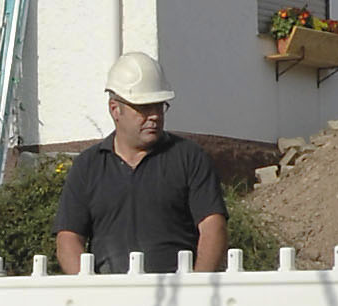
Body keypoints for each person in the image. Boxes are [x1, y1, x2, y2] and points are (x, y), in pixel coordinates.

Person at [54, 51, 227, 274]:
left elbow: (213, 227)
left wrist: (196, 287)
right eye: (144, 108)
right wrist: (92, 289)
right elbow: (68, 238)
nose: (154, 116)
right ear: (115, 109)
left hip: (176, 290)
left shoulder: (189, 158)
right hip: (110, 291)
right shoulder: (88, 166)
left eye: (159, 106)